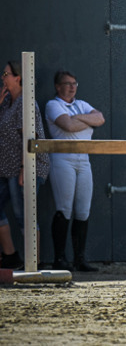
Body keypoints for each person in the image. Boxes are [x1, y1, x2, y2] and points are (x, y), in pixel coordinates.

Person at [45, 69, 105, 272]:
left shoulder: (81, 104)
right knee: (64, 208)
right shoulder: (53, 104)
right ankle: (59, 258)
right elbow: (67, 125)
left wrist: (77, 118)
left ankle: (80, 259)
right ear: (57, 86)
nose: (72, 87)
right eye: (67, 83)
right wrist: (86, 121)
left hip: (84, 159)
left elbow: (100, 119)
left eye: (74, 83)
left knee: (83, 210)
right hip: (63, 158)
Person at [0, 60, 51, 269]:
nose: (3, 78)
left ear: (18, 78)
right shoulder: (5, 102)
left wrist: (24, 169)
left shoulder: (26, 103)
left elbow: (29, 138)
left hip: (25, 167)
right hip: (6, 168)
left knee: (24, 213)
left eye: (6, 74)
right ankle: (11, 255)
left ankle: (34, 263)